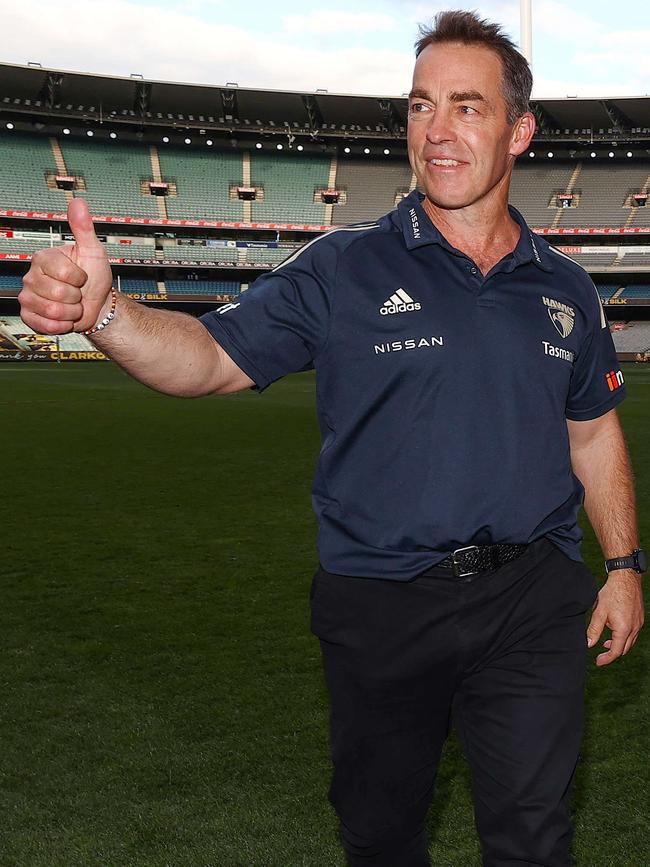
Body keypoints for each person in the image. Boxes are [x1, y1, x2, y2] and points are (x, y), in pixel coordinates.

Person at [19, 10, 645, 866]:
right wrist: (108, 312)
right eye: (422, 105)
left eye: (467, 106)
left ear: (520, 130)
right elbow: (206, 359)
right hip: (383, 599)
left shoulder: (567, 288)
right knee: (381, 836)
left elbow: (594, 432)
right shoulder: (344, 265)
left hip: (531, 597)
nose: (438, 131)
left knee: (535, 835)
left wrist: (622, 567)